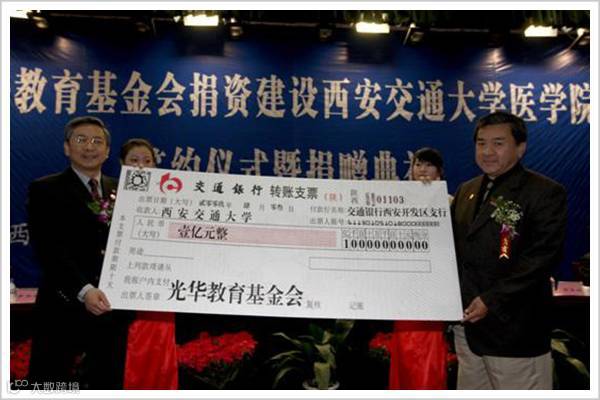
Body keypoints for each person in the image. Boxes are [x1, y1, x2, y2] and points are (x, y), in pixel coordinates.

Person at [451, 111, 567, 389]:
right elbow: (453, 251)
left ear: (521, 147)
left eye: (498, 143)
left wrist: (490, 300)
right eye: (481, 143)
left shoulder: (544, 192)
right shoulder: (466, 190)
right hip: (467, 329)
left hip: (514, 331)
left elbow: (541, 258)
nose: (487, 151)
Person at [27, 116, 131, 389]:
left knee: (106, 382)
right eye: (81, 140)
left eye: (97, 141)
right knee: (52, 383)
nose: (89, 147)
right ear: (66, 147)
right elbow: (48, 249)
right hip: (63, 308)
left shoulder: (124, 190)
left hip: (111, 311)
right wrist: (84, 290)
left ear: (107, 151)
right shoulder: (45, 189)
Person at [119, 138, 178, 390]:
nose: (141, 166)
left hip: (159, 292)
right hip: (122, 294)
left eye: (147, 160)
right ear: (122, 164)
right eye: (133, 160)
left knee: (160, 353)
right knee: (128, 354)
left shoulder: (172, 200)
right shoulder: (111, 198)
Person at [388, 148, 450, 390]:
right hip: (404, 288)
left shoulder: (450, 202)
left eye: (429, 165)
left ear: (439, 171)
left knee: (429, 349)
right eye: (418, 164)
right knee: (404, 346)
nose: (422, 170)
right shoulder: (398, 201)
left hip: (434, 287)